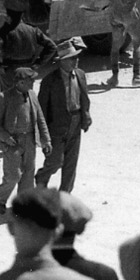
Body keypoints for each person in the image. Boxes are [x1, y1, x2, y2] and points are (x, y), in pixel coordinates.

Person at [0, 67, 50, 214]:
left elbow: (40, 119)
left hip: (29, 139)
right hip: (12, 142)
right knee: (13, 175)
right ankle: (0, 196)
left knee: (28, 175)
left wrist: (46, 140)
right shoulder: (4, 98)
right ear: (21, 82)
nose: (34, 82)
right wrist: (5, 137)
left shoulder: (32, 95)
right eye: (31, 80)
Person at [35, 38, 93, 193]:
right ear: (62, 61)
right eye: (72, 58)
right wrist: (42, 133)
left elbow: (84, 98)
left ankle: (65, 196)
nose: (76, 61)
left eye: (76, 57)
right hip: (56, 126)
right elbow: (41, 108)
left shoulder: (80, 75)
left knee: (71, 163)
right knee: (55, 161)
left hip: (75, 122)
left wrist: (86, 115)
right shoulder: (49, 81)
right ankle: (41, 178)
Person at [0, 0, 57, 82]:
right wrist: (37, 64)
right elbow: (52, 46)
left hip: (10, 71)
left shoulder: (5, 31)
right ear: (22, 16)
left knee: (8, 94)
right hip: (28, 71)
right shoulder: (33, 30)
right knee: (27, 93)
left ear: (9, 17)